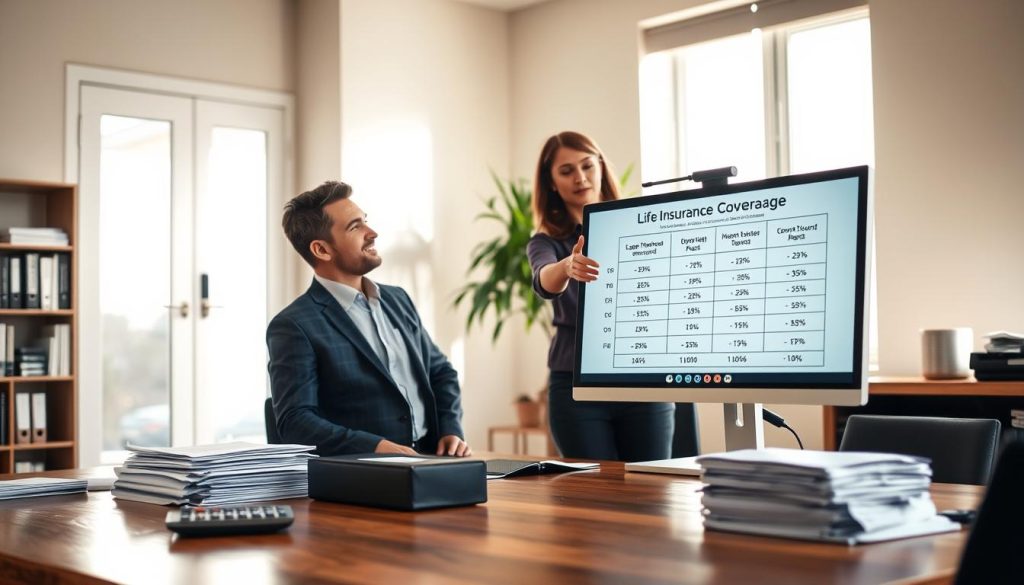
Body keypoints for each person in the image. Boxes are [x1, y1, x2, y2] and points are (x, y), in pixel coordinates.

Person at [267, 181, 471, 457]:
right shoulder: (294, 326)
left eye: (365, 222)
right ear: (322, 250)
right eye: (355, 227)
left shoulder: (397, 300)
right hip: (363, 473)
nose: (372, 233)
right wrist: (375, 448)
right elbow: (296, 422)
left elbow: (441, 372)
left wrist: (451, 429)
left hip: (433, 458)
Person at [527, 131, 674, 461]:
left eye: (586, 166)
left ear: (600, 167)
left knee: (653, 492)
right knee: (594, 496)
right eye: (566, 171)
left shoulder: (638, 224)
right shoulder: (544, 242)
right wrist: (567, 266)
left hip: (643, 378)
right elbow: (544, 280)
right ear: (551, 182)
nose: (580, 178)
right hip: (575, 388)